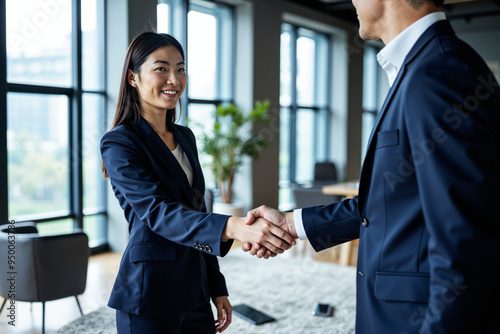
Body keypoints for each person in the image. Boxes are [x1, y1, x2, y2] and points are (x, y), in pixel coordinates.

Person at [244, 1, 500, 333]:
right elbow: (392, 201)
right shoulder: (426, 66)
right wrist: (293, 223)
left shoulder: (438, 71)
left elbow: (465, 240)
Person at [100, 31, 295, 334]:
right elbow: (157, 212)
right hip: (149, 291)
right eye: (161, 68)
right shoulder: (119, 143)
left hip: (195, 289)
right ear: (133, 77)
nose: (174, 80)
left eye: (181, 69)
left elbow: (196, 211)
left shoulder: (185, 137)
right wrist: (234, 226)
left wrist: (217, 287)